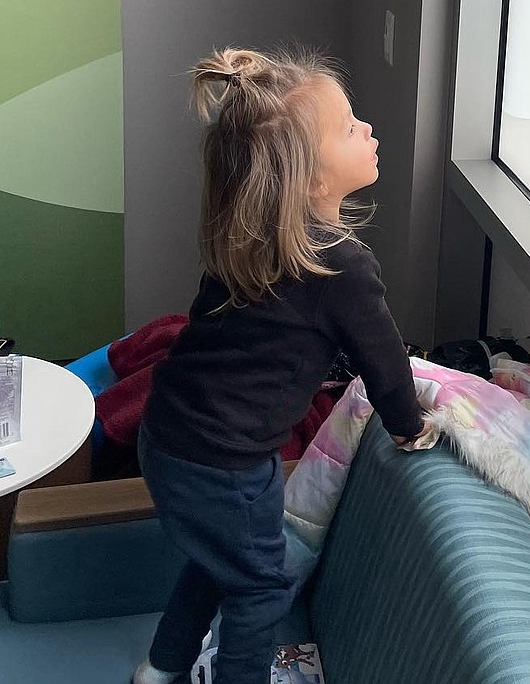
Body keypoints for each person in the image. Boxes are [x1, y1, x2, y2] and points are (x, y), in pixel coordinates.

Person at [132, 48, 431, 684]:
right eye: (351, 128)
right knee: (261, 588)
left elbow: (241, 345)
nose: (368, 130)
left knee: (220, 564)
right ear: (315, 182)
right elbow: (383, 363)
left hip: (169, 438)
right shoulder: (342, 269)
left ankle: (160, 669)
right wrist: (409, 427)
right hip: (222, 461)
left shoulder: (245, 241)